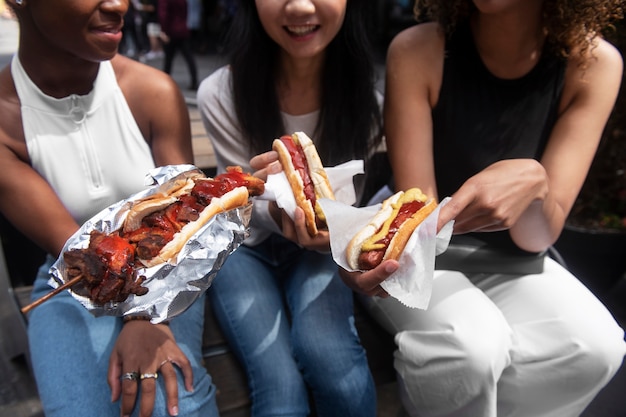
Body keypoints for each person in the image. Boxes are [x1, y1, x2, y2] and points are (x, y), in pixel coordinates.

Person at [340, 1, 626, 416]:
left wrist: (537, 185)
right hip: (421, 254)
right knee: (470, 347)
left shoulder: (593, 64)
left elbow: (537, 239)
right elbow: (419, 219)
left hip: (515, 258)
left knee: (597, 347)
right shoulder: (420, 49)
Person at [0, 1, 219, 416]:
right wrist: (137, 317)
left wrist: (146, 318)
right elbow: (75, 249)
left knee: (177, 406)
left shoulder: (153, 91)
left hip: (168, 269)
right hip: (73, 273)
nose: (119, 4)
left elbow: (186, 218)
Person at [197, 0, 384, 415]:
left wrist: (331, 227)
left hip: (321, 250)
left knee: (332, 360)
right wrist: (274, 196)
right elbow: (241, 206)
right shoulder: (220, 93)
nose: (299, 6)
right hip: (241, 247)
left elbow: (351, 205)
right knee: (280, 389)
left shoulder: (367, 103)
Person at [158, 0, 199, 90]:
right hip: (182, 29)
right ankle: (194, 81)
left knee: (168, 59)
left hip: (171, 31)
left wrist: (164, 30)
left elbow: (163, 15)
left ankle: (165, 82)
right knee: (189, 57)